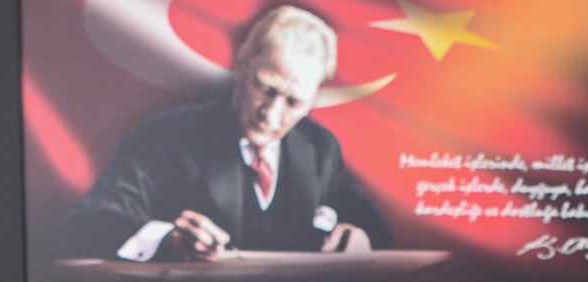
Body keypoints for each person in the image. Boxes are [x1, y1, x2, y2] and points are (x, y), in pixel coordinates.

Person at [59, 5, 392, 262]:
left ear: (312, 99)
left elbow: (381, 236)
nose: (271, 114)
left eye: (293, 102)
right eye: (265, 88)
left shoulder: (319, 148)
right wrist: (166, 239)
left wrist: (361, 242)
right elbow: (84, 226)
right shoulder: (169, 136)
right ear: (241, 66)